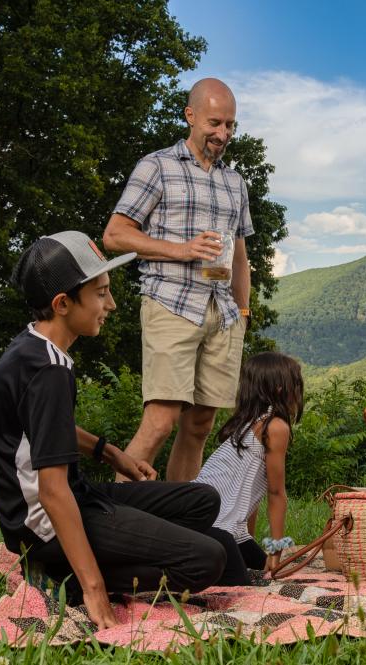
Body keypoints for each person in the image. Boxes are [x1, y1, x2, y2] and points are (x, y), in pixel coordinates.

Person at [0, 231, 230, 631]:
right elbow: (51, 489)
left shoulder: (34, 347)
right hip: (44, 522)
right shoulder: (48, 370)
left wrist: (112, 453)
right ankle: (67, 577)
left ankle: (115, 544)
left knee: (202, 502)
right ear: (63, 303)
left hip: (79, 496)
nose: (111, 305)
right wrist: (95, 588)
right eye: (101, 294)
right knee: (208, 560)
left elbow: (45, 426)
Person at [103, 77, 253, 482]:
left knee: (200, 425)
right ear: (190, 116)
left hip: (221, 313)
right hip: (171, 302)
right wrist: (182, 249)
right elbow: (115, 234)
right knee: (161, 421)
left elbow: (240, 256)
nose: (223, 134)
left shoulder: (235, 183)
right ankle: (112, 522)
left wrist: (243, 311)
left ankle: (177, 526)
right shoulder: (157, 166)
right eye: (215, 123)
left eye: (230, 126)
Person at [194, 352, 305, 583]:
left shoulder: (248, 423)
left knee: (259, 567)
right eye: (296, 383)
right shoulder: (274, 427)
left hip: (222, 527)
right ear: (280, 389)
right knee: (241, 584)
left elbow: (247, 491)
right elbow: (276, 493)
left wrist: (249, 541)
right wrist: (276, 550)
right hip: (213, 528)